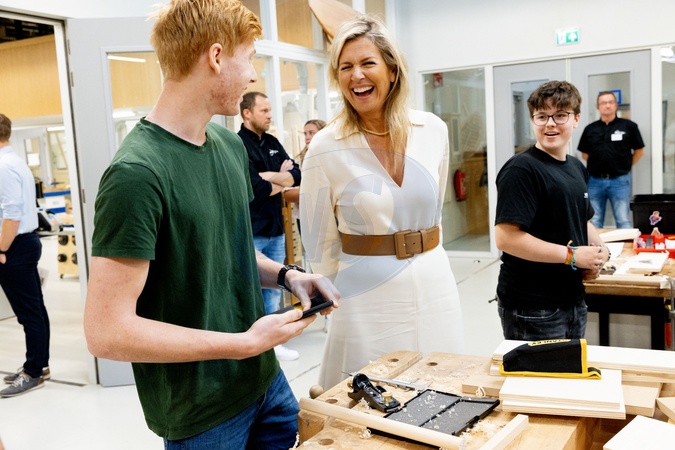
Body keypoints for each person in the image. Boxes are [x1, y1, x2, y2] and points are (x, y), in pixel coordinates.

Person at [83, 1, 338, 449]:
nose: (254, 75)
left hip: (265, 382)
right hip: (202, 412)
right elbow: (106, 332)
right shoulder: (137, 174)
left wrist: (287, 275)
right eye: (250, 58)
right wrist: (241, 344)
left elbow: (228, 250)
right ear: (216, 57)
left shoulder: (226, 144)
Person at [300, 15, 464, 390]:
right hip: (365, 296)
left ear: (391, 70)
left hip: (434, 283)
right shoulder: (325, 146)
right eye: (345, 67)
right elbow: (319, 242)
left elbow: (433, 205)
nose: (356, 75)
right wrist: (336, 297)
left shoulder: (432, 130)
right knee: (371, 398)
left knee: (442, 388)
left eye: (367, 63)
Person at [495, 80, 610, 341]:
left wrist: (602, 252)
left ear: (576, 119)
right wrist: (572, 256)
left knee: (570, 368)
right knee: (542, 371)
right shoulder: (521, 170)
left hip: (572, 299)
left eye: (560, 115)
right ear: (532, 120)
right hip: (533, 307)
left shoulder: (576, 167)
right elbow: (506, 238)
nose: (550, 124)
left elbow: (581, 219)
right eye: (542, 116)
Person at [238, 91, 303, 361]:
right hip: (252, 231)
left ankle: (273, 345)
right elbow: (256, 188)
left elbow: (297, 175)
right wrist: (280, 178)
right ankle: (252, 346)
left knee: (275, 290)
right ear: (247, 113)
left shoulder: (273, 142)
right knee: (250, 291)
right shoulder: (238, 145)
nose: (269, 115)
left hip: (276, 231)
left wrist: (271, 177)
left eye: (269, 110)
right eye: (263, 110)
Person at [0, 113, 51, 398]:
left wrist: (1, 249)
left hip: (15, 247)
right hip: (24, 243)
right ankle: (39, 365)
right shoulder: (15, 161)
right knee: (35, 310)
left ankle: (32, 372)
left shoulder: (3, 166)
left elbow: (12, 214)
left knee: (29, 313)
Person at [577, 91, 645, 229]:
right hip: (594, 182)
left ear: (616, 105)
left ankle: (625, 244)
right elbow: (584, 154)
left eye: (610, 102)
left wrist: (625, 166)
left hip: (620, 181)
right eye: (603, 103)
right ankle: (596, 244)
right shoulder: (590, 129)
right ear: (598, 107)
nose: (607, 105)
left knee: (623, 220)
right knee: (594, 221)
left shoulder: (629, 127)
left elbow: (639, 151)